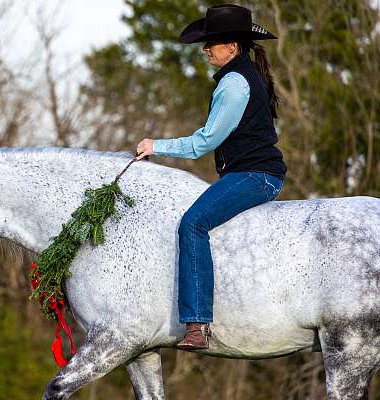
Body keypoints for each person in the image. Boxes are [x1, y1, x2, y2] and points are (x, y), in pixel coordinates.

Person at [135, 4, 287, 350]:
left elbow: (205, 141)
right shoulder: (242, 75)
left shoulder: (235, 84)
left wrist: (155, 145)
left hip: (256, 175)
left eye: (212, 43)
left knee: (192, 224)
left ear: (232, 47)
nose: (206, 49)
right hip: (252, 172)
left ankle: (197, 324)